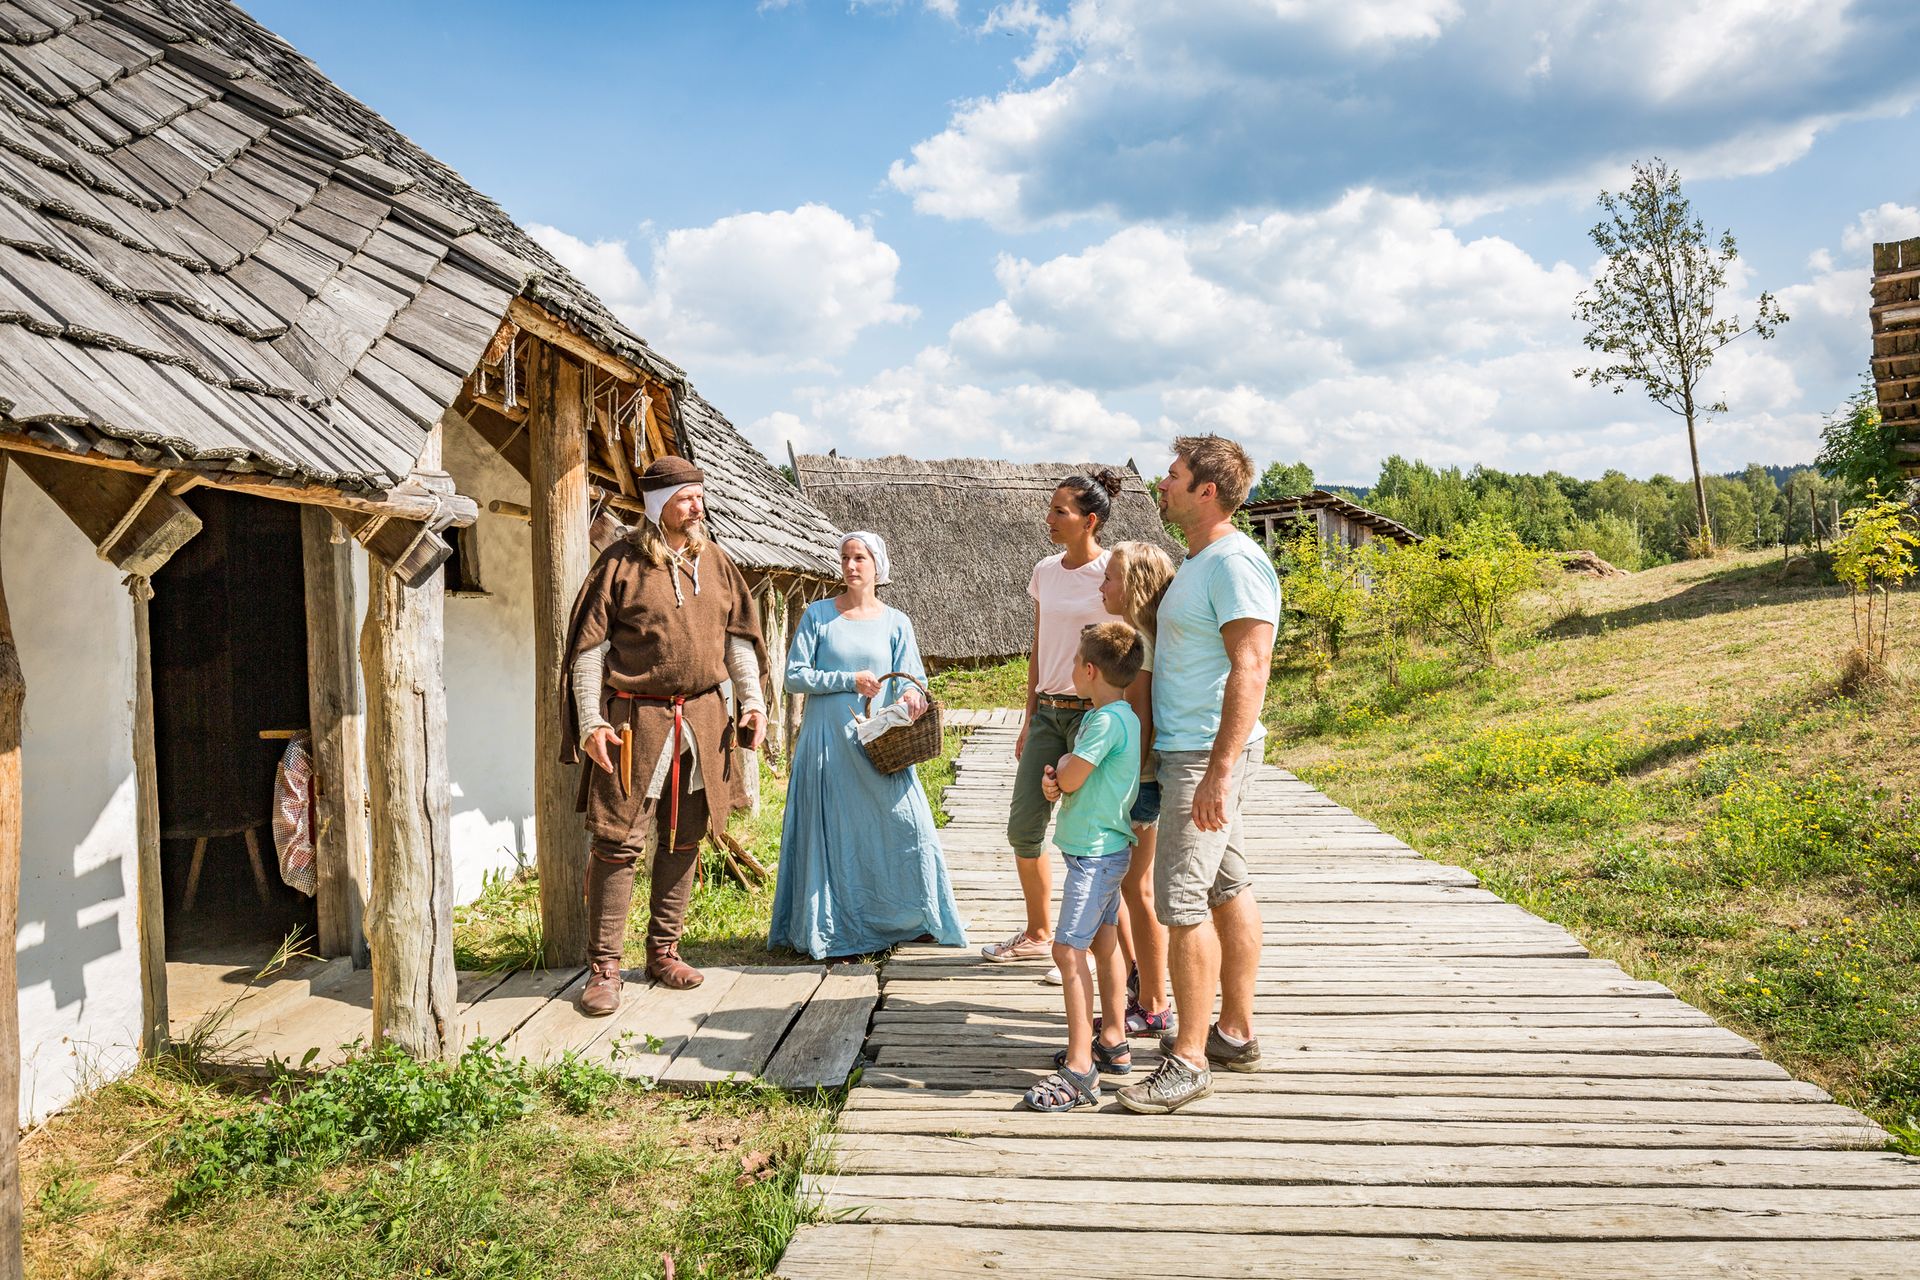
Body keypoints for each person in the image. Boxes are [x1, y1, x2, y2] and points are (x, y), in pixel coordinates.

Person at [560, 456, 769, 1010]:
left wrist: (751, 701)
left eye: (699, 495)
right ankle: (605, 968)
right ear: (658, 506)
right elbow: (589, 653)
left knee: (685, 833)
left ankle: (663, 951)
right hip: (636, 721)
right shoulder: (619, 566)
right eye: (685, 498)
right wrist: (591, 721)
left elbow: (739, 640)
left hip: (702, 720)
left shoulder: (717, 563)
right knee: (617, 842)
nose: (697, 506)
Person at [1117, 435, 1279, 1116]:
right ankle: (1233, 1033)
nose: (1163, 482)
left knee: (1179, 902)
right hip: (1195, 753)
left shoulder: (1235, 563)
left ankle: (1185, 1059)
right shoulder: (1202, 562)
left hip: (1204, 757)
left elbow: (1252, 666)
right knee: (1225, 885)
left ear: (1206, 490)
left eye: (1174, 475)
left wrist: (1217, 771)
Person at [771, 532, 968, 959]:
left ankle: (911, 916)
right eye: (845, 558)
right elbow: (794, 676)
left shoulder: (896, 621)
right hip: (828, 741)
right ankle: (835, 925)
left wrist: (911, 698)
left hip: (879, 742)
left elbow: (914, 676)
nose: (851, 565)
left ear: (877, 565)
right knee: (836, 831)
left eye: (859, 558)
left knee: (905, 822)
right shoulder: (819, 616)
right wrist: (847, 680)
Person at [981, 470, 1124, 965]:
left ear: (1090, 521)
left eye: (1060, 511)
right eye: (1051, 508)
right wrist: (1027, 717)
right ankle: (1040, 932)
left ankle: (1089, 947)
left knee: (1092, 836)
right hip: (1048, 714)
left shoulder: (1113, 573)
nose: (1049, 518)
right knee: (1024, 827)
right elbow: (1040, 647)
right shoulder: (1044, 571)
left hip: (1094, 719)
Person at [1020, 621, 1145, 1112]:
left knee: (1068, 951)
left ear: (1089, 671)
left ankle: (1080, 1069)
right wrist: (1063, 778)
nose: (1071, 668)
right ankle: (1112, 1039)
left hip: (1093, 855)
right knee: (1105, 939)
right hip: (1106, 850)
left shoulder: (1102, 722)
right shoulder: (1127, 717)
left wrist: (1059, 774)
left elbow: (1072, 776)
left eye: (1075, 661)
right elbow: (1078, 780)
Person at [1097, 540, 1177, 1037]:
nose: (1102, 585)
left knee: (1138, 890)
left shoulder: (1139, 643)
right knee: (1131, 887)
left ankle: (1154, 1001)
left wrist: (1128, 780)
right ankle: (1144, 987)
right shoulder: (1145, 636)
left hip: (1139, 782)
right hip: (1140, 780)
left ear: (1134, 585)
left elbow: (1141, 715)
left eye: (1110, 577)